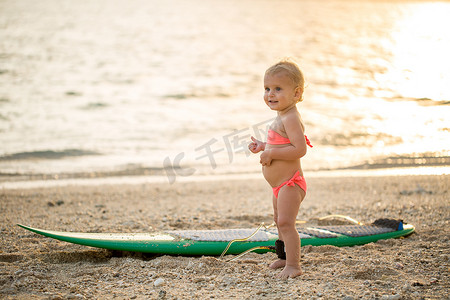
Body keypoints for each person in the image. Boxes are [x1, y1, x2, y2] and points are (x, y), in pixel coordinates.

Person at [248, 59, 312, 279]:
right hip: (278, 185)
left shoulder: (292, 117)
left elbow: (299, 149)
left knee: (286, 222)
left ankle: (294, 265)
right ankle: (284, 257)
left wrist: (271, 153)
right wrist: (263, 147)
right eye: (267, 89)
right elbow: (281, 144)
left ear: (296, 93)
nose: (270, 94)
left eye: (277, 89)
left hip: (291, 184)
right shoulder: (282, 116)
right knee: (278, 221)